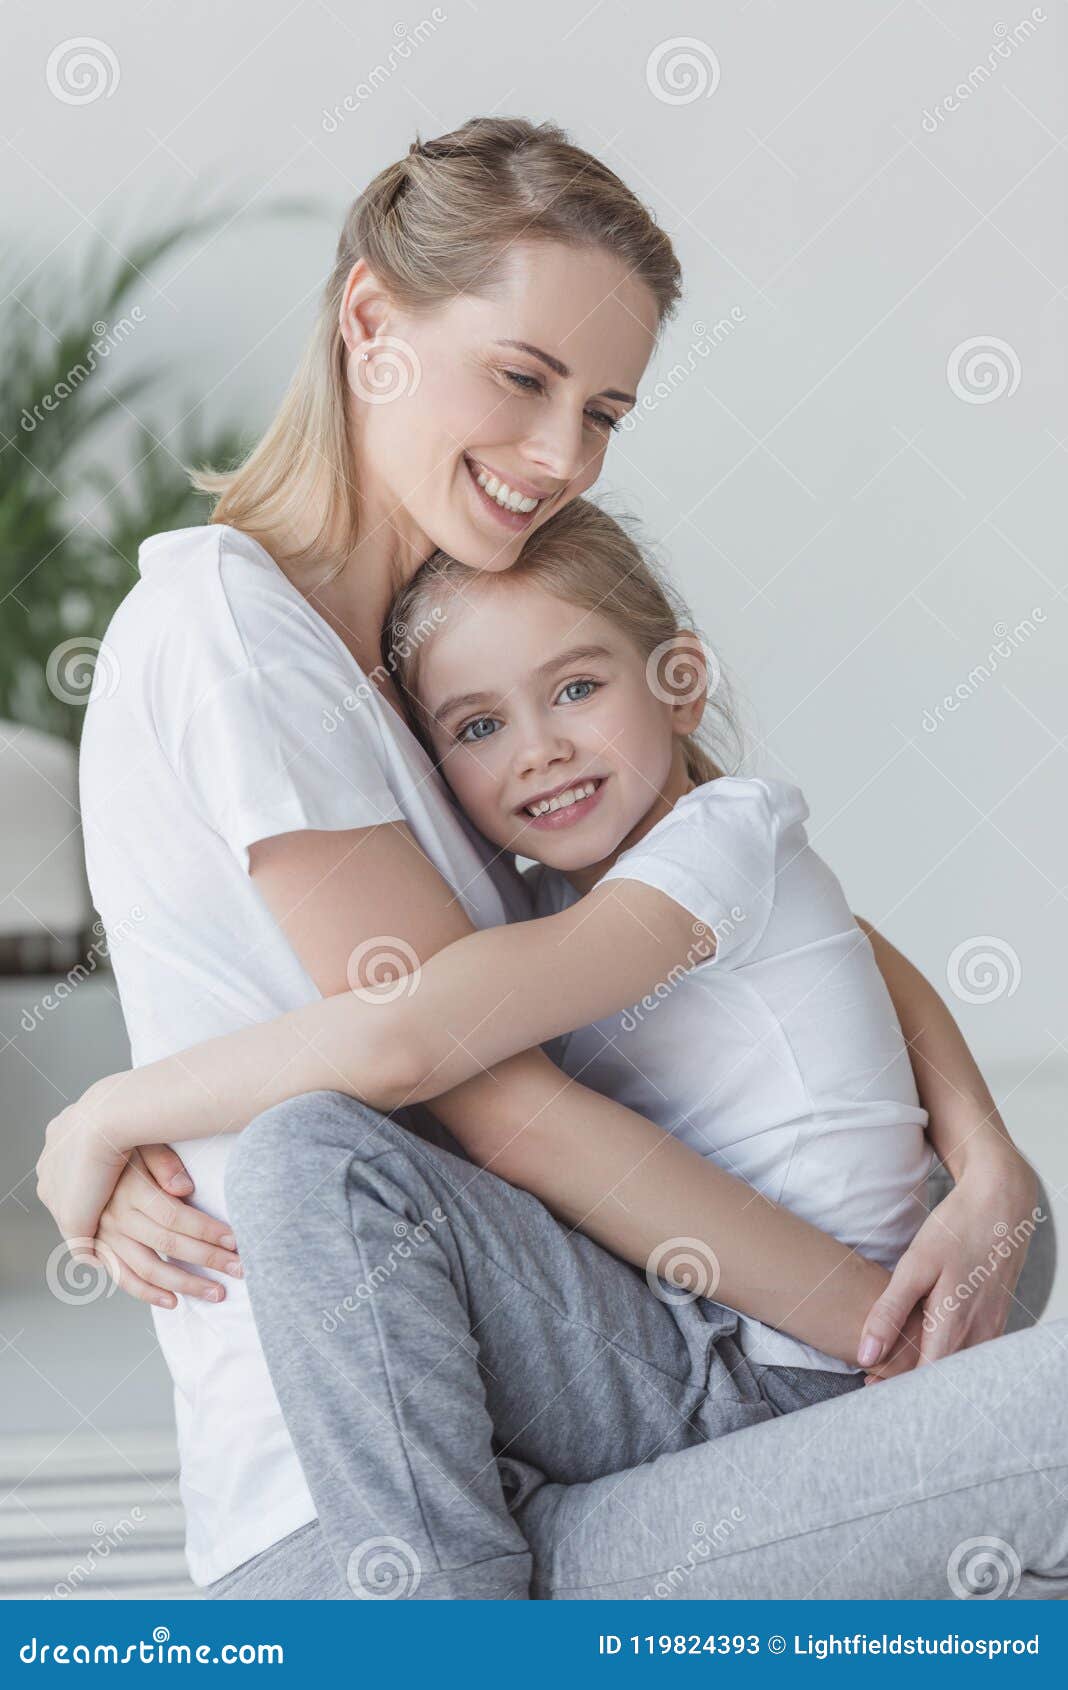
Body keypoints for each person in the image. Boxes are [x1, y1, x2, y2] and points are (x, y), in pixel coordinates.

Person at [38, 119, 1061, 1600]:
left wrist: (983, 1158)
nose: (559, 457)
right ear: (370, 322)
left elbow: (747, 889)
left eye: (604, 412)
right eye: (524, 380)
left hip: (601, 1397)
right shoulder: (233, 636)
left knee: (1005, 1257)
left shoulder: (458, 667)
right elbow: (483, 1094)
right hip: (385, 1498)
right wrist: (888, 1335)